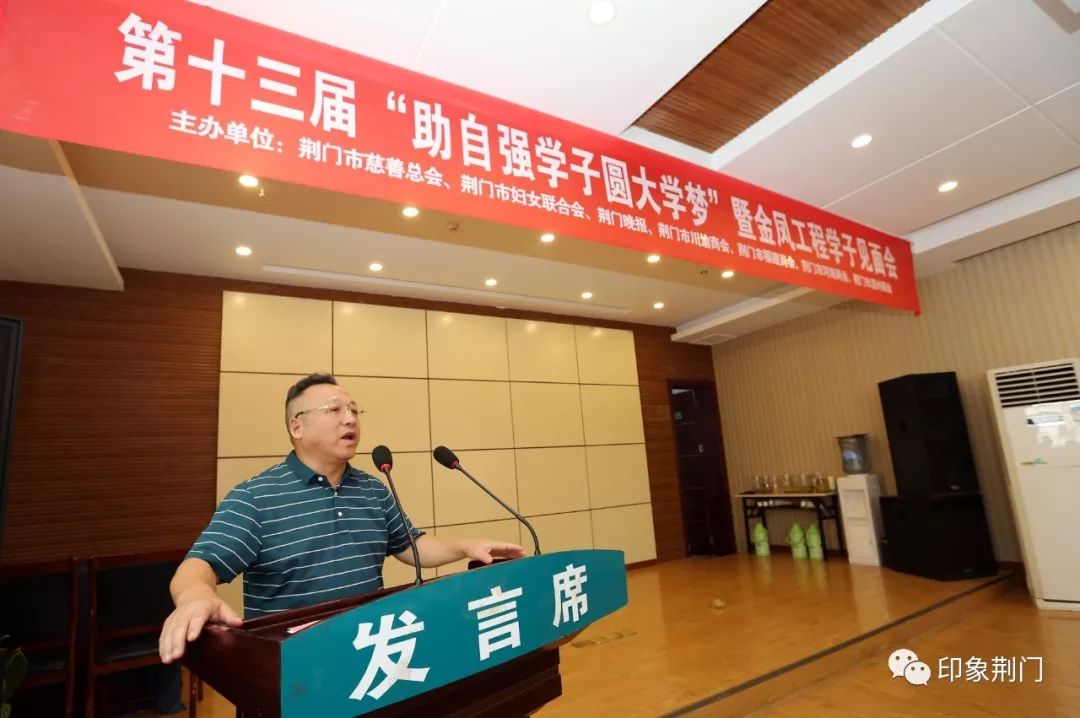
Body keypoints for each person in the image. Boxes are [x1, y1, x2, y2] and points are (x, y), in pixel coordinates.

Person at [158, 372, 525, 663]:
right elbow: (199, 565)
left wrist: (465, 546)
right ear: (297, 427)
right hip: (291, 664)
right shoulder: (256, 497)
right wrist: (194, 595)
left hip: (371, 650)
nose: (350, 419)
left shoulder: (372, 488)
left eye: (354, 410)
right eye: (334, 410)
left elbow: (411, 546)